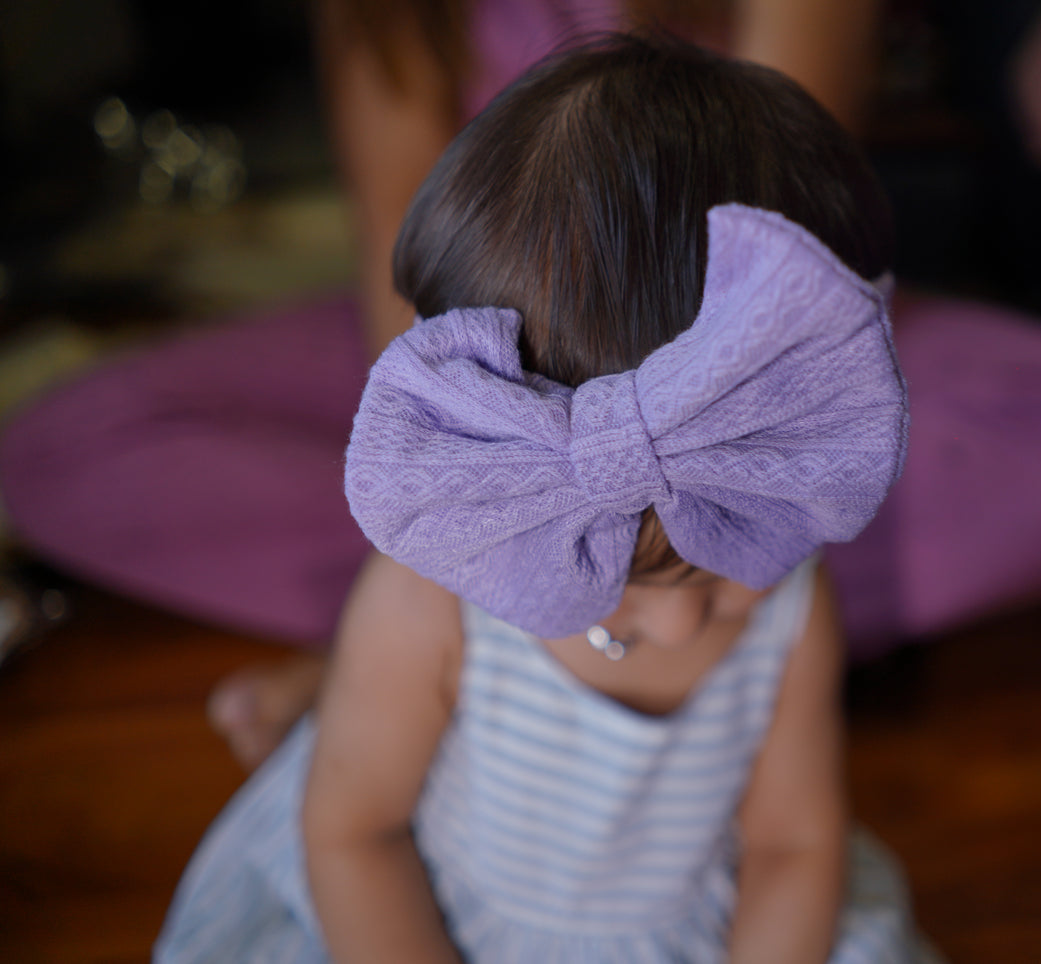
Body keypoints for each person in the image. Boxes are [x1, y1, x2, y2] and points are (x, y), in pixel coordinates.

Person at [0, 0, 1041, 767]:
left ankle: (595, 630)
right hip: (492, 373)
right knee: (58, 443)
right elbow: (401, 310)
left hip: (745, 363)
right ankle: (451, 637)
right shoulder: (387, 21)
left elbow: (790, 267)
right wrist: (468, 513)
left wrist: (680, 502)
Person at [156, 35, 939, 962]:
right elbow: (354, 837)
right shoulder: (433, 599)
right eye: (628, 577)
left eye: (725, 570)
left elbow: (791, 847)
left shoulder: (800, 608)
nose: (688, 629)